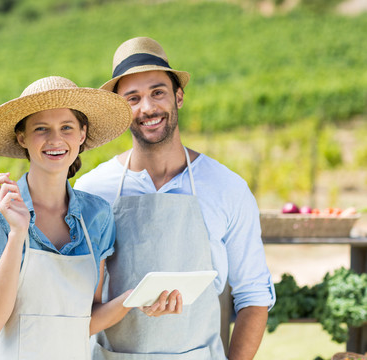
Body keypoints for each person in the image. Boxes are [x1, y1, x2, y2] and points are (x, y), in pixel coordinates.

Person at [74, 37, 276, 360]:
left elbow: (254, 297)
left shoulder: (226, 188)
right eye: (133, 98)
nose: (148, 108)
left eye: (158, 92)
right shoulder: (92, 190)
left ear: (178, 97)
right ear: (119, 110)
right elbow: (76, 304)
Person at [0, 76, 134, 360]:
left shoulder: (97, 216)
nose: (55, 139)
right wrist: (17, 233)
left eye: (66, 127)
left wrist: (133, 301)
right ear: (22, 138)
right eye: (41, 129)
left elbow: (84, 319)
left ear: (81, 135)